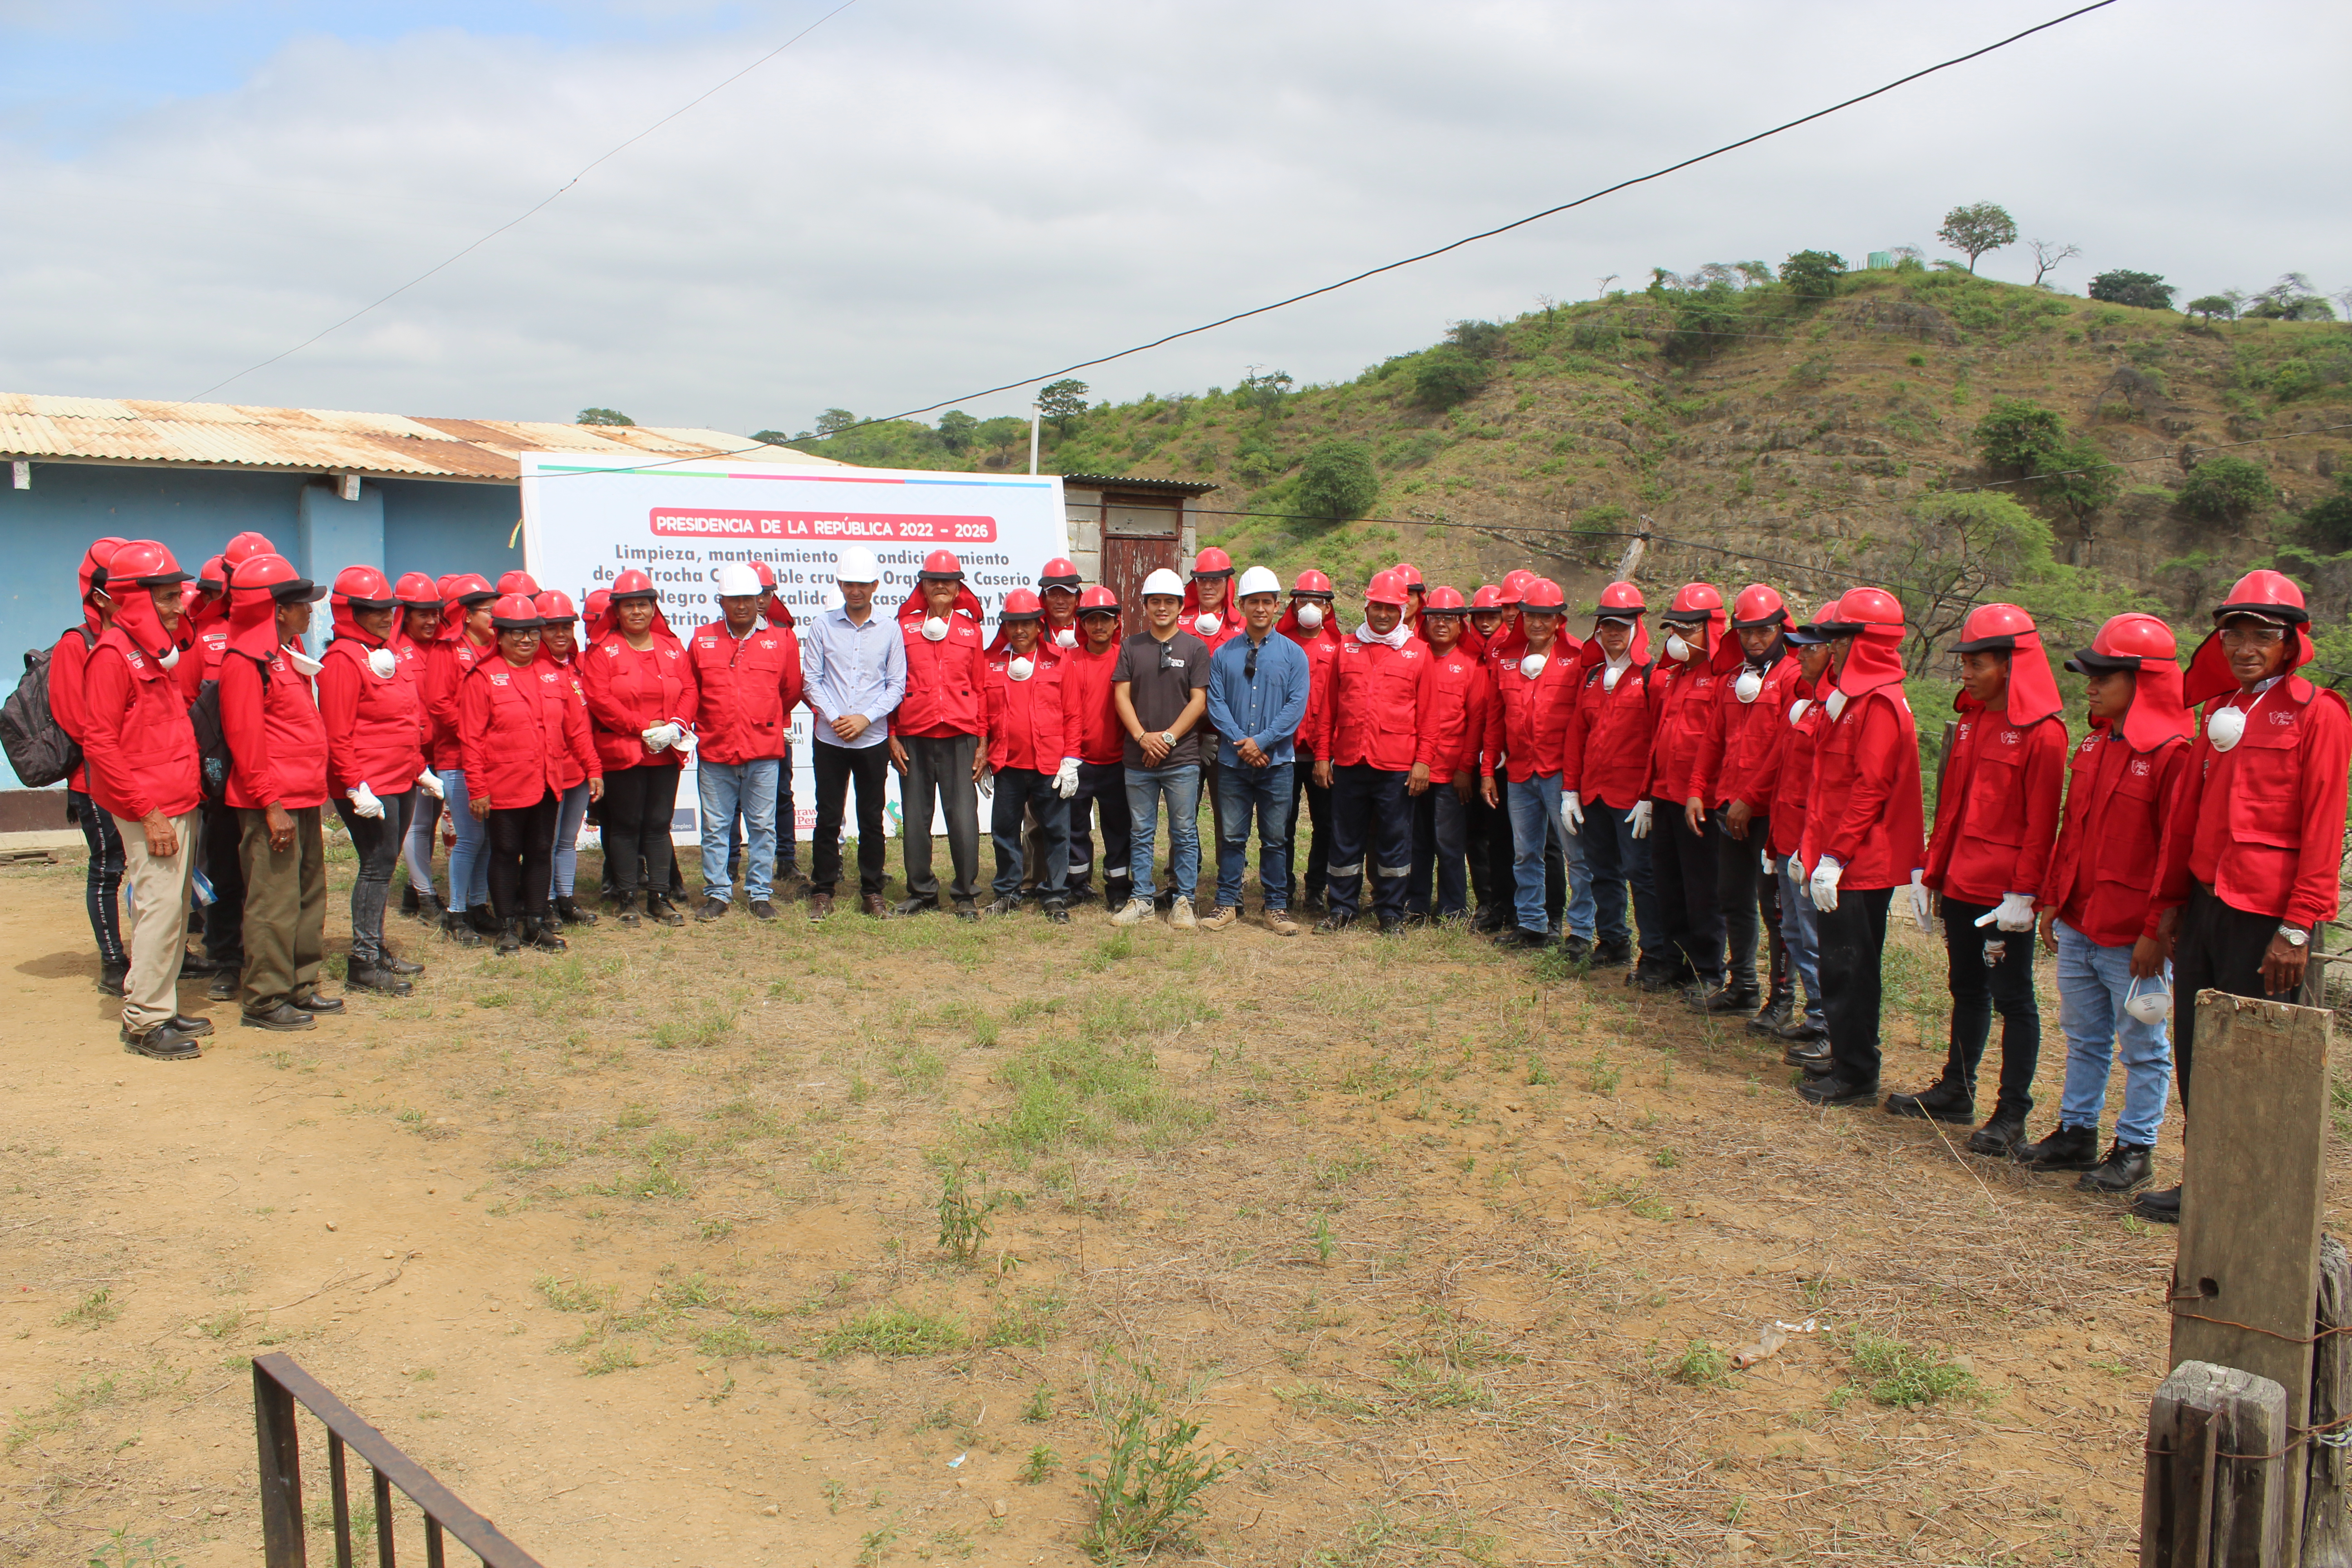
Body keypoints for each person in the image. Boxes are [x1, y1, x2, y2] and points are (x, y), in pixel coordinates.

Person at [2143, 569, 2352, 1223]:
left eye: (2262, 635)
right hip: (2206, 900)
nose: (2245, 647)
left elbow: (2322, 823)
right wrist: (2169, 904)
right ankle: (2206, 1178)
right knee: (2196, 1044)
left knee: (2251, 1051)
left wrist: (2297, 929)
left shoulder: (2319, 714)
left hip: (2264, 910)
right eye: (2234, 634)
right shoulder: (2219, 712)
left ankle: (2247, 1190)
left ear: (2291, 642)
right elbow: (2187, 815)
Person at [2013, 613, 2195, 1196]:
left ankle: (2137, 1146)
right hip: (2081, 920)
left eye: (2104, 675)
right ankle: (2076, 1130)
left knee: (2142, 1043)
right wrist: (2053, 901)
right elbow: (2074, 832)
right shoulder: (2095, 743)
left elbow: (2173, 851)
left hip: (2130, 934)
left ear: (2143, 680)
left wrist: (2155, 931)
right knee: (2085, 1033)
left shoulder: (2173, 753)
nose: (2090, 686)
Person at [1886, 604, 2067, 1152]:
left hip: (2002, 895)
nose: (1965, 672)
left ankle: (2012, 1112)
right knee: (1965, 988)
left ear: (2012, 665)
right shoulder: (1970, 722)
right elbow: (1953, 809)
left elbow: (2041, 822)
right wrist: (1929, 871)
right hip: (1962, 882)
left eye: (1978, 663)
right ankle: (1956, 1089)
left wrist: (2025, 892)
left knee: (2013, 998)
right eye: (1964, 661)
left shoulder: (2045, 734)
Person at [1796, 587, 1927, 1107]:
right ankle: (1845, 1056)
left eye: (1843, 640)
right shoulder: (1851, 700)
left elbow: (1870, 787)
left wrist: (1836, 856)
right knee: (1836, 963)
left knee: (1851, 966)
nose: (1836, 650)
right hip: (1841, 855)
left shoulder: (1880, 704)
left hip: (1860, 861)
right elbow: (1828, 783)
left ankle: (1856, 1075)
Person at [78, 541, 208, 1060]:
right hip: (150, 807)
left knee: (173, 911)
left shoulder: (149, 649)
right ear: (135, 598)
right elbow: (100, 743)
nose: (180, 605)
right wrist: (148, 813)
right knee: (158, 911)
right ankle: (144, 1023)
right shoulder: (113, 655)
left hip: (177, 799)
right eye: (170, 596)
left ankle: (160, 1002)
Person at [219, 552, 338, 1031]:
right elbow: (245, 740)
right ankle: (266, 998)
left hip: (304, 798)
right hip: (273, 803)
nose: (310, 612)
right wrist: (271, 805)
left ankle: (300, 984)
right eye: (301, 605)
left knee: (309, 895)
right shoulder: (245, 662)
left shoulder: (283, 656)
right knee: (273, 901)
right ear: (277, 609)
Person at [463, 594, 600, 954]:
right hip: (504, 786)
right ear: (501, 636)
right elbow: (471, 739)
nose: (526, 640)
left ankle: (536, 924)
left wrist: (593, 767)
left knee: (541, 851)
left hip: (547, 783)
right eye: (517, 634)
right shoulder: (483, 678)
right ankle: (508, 926)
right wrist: (477, 788)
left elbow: (577, 729)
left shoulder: (554, 676)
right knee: (506, 852)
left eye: (532, 634)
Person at [318, 567, 430, 997]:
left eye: (388, 608)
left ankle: (376, 949)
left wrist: (419, 766)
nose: (385, 616)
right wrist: (352, 784)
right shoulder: (342, 660)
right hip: (369, 784)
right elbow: (337, 731)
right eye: (374, 609)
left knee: (385, 864)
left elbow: (406, 716)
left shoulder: (386, 653)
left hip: (399, 776)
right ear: (351, 612)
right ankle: (363, 961)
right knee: (376, 865)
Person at [1308, 568, 1437, 935]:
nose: (1383, 614)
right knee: (1344, 837)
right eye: (1377, 606)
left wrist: (1423, 762)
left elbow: (1430, 716)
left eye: (1391, 608)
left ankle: (1391, 912)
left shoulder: (1418, 653)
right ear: (1367, 606)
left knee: (1395, 840)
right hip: (1350, 761)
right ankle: (1343, 908)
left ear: (1403, 610)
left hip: (1396, 766)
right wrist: (1322, 755)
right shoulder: (1345, 648)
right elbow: (1328, 709)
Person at [1699, 585, 1805, 1025]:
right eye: (1747, 633)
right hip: (1729, 807)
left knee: (1774, 907)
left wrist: (1750, 800)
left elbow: (1784, 750)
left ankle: (1781, 1000)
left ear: (1781, 629)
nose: (1756, 641)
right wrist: (1698, 791)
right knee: (1730, 897)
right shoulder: (1731, 679)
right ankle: (1741, 984)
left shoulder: (1793, 679)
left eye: (1764, 631)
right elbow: (1713, 740)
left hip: (1768, 814)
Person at [685, 562, 802, 922]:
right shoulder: (703, 639)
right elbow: (692, 691)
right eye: (733, 599)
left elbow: (791, 690)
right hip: (717, 750)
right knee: (716, 827)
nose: (741, 606)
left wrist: (760, 717)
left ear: (759, 600)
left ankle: (759, 892)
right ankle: (718, 893)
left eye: (748, 599)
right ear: (721, 601)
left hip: (763, 750)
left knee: (763, 825)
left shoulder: (781, 639)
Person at [580, 569, 696, 929]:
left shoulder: (672, 647)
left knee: (659, 826)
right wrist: (642, 728)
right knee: (627, 825)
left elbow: (690, 689)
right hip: (623, 752)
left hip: (665, 753)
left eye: (643, 605)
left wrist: (677, 725)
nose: (637, 612)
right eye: (629, 606)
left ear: (653, 608)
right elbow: (598, 698)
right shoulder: (603, 651)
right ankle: (627, 898)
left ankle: (659, 899)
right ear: (617, 610)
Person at [1202, 565, 1312, 933]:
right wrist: (1243, 744)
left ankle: (1276, 907)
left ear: (1278, 606)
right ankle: (1227, 903)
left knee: (1275, 838)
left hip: (1277, 763)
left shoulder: (1294, 655)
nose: (1260, 608)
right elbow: (1216, 703)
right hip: (1233, 764)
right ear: (1242, 605)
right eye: (1253, 602)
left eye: (1267, 602)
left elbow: (1295, 706)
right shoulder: (1223, 654)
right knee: (1232, 836)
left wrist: (1261, 742)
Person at [801, 545, 905, 921]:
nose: (855, 591)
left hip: (872, 739)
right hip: (830, 738)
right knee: (828, 815)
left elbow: (896, 685)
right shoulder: (822, 625)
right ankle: (824, 889)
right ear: (840, 584)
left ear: (875, 585)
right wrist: (835, 717)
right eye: (849, 584)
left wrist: (864, 719)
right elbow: (811, 681)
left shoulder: (890, 629)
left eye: (862, 584)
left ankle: (872, 890)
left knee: (871, 815)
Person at [1562, 582, 1661, 975]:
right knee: (1601, 869)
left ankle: (1655, 952)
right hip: (1596, 794)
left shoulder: (1652, 676)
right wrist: (1571, 789)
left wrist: (1649, 796)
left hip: (1632, 798)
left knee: (1641, 874)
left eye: (1622, 626)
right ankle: (1614, 940)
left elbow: (1658, 740)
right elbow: (1576, 736)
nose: (1614, 634)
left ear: (1637, 627)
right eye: (1607, 627)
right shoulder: (1590, 677)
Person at [888, 550, 990, 920]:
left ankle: (965, 894)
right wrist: (892, 735)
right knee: (915, 818)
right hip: (913, 735)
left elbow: (981, 688)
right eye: (934, 581)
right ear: (923, 586)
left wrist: (982, 743)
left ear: (959, 587)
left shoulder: (971, 630)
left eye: (948, 581)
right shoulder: (903, 629)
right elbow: (892, 684)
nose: (941, 586)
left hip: (960, 736)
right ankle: (922, 891)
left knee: (963, 817)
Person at [1110, 568, 1211, 928]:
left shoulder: (1195, 647)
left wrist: (1167, 738)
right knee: (1141, 831)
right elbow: (1121, 696)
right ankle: (1141, 900)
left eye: (1170, 602)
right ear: (1146, 606)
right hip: (1138, 758)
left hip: (1181, 757)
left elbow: (1198, 701)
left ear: (1181, 606)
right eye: (1156, 602)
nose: (1163, 608)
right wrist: (1142, 737)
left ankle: (1183, 899)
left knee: (1184, 831)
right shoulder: (1131, 646)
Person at [51, 537, 130, 995]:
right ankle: (112, 962)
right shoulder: (75, 644)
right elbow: (76, 719)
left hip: (139, 777)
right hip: (95, 779)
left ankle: (167, 953)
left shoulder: (136, 644)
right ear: (98, 594)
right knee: (108, 867)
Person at [1489, 578, 1583, 951]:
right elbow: (1497, 715)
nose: (1537, 623)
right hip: (1520, 771)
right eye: (1531, 615)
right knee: (1525, 851)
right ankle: (1531, 924)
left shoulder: (1578, 656)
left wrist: (1577, 779)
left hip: (1561, 774)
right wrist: (1487, 772)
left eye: (1546, 616)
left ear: (1559, 619)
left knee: (1576, 856)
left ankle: (1580, 930)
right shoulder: (1507, 656)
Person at [1648, 583, 1730, 998]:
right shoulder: (1676, 676)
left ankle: (1710, 970)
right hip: (1665, 793)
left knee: (1703, 889)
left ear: (1710, 630)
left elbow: (1720, 743)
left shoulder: (1723, 679)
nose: (1678, 640)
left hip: (1700, 800)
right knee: (1669, 884)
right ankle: (1674, 960)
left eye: (1688, 630)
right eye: (1674, 631)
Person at [1768, 604, 1839, 1068]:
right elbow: (1786, 778)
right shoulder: (1809, 703)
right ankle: (1816, 1016)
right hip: (1789, 836)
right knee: (1794, 930)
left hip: (1813, 843)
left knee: (1815, 937)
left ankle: (1832, 1027)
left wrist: (1815, 850)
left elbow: (1828, 788)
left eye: (1811, 649)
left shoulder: (1836, 708)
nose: (1803, 656)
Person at [980, 589, 1078, 921]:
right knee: (1004, 832)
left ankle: (1055, 896)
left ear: (1040, 625)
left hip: (1049, 765)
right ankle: (1008, 893)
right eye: (1011, 624)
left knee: (1056, 832)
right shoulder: (990, 664)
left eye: (1026, 623)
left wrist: (1071, 760)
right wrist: (984, 757)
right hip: (1007, 765)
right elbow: (983, 716)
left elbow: (1072, 715)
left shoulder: (1058, 661)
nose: (1019, 630)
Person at [1409, 587, 1494, 927]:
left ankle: (1452, 908)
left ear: (1462, 625)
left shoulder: (1472, 667)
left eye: (1449, 618)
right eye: (1435, 618)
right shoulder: (1415, 658)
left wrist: (1465, 769)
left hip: (1450, 772)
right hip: (1414, 769)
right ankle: (1414, 904)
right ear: (1425, 622)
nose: (1441, 624)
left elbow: (1477, 723)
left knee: (1449, 843)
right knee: (1416, 843)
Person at [425, 574, 499, 944]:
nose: (496, 616)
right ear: (467, 616)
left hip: (493, 760)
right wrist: (478, 732)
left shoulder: (498, 650)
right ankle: (456, 914)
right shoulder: (446, 650)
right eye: (490, 611)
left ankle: (476, 905)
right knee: (469, 839)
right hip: (457, 758)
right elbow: (439, 705)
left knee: (486, 839)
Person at [1060, 584, 1132, 912]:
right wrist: (1068, 759)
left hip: (1118, 763)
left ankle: (1118, 888)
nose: (1098, 626)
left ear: (1117, 622)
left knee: (1118, 828)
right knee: (1075, 827)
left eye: (1105, 619)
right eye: (1091, 620)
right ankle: (1077, 885)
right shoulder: (1069, 661)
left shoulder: (1126, 659)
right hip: (1080, 762)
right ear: (1082, 624)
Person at [533, 590, 600, 927]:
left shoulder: (578, 667)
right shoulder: (532, 668)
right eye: (552, 627)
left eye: (566, 627)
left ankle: (566, 898)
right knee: (543, 842)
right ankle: (542, 903)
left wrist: (592, 767)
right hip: (547, 771)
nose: (561, 634)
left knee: (567, 840)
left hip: (577, 768)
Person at [1278, 570, 1341, 916]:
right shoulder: (1280, 643)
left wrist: (1327, 752)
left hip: (1323, 754)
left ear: (1329, 608)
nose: (1311, 607)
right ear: (1294, 604)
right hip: (1285, 751)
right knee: (1281, 825)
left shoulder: (1340, 647)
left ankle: (1316, 888)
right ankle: (1282, 889)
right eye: (1304, 599)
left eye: (1318, 601)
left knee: (1326, 825)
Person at [392, 573, 447, 923]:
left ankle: (414, 892)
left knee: (434, 820)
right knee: (419, 824)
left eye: (435, 613)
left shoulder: (445, 647)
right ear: (406, 615)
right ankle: (426, 898)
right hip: (417, 752)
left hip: (446, 750)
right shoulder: (393, 652)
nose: (431, 621)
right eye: (422, 613)